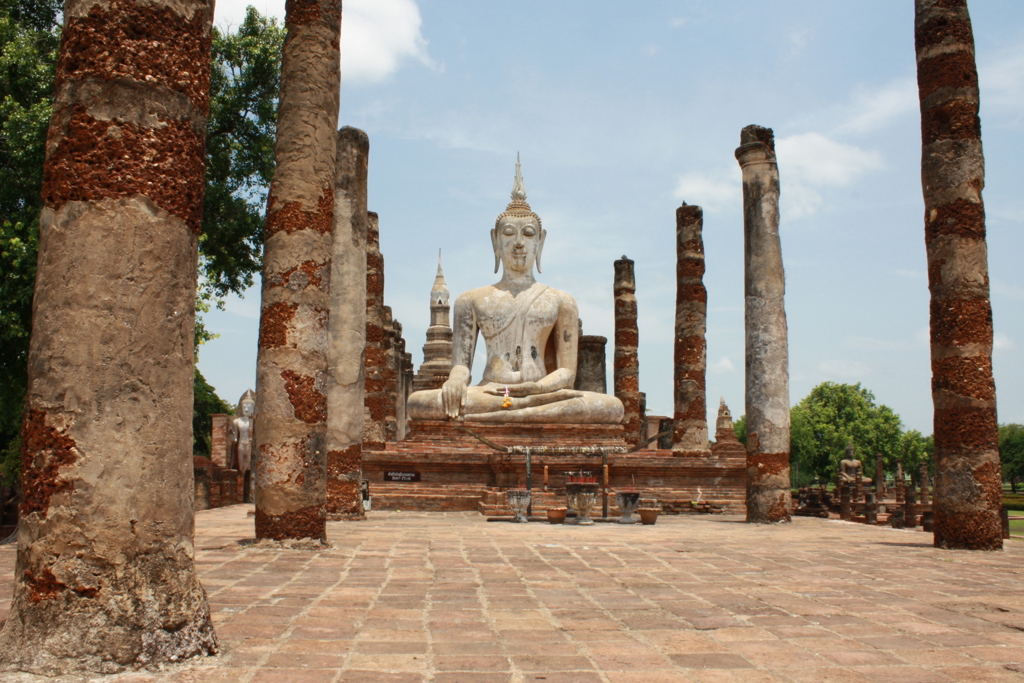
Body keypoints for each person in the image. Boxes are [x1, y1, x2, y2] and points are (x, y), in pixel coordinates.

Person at [407, 159, 623, 424]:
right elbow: (462, 365)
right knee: (420, 402)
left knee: (610, 407)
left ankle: (504, 416)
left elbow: (567, 372)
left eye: (529, 234)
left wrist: (537, 389)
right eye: (509, 233)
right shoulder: (471, 300)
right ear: (495, 241)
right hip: (493, 392)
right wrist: (455, 380)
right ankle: (519, 414)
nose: (519, 243)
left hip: (543, 393)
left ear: (540, 242)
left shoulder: (561, 301)